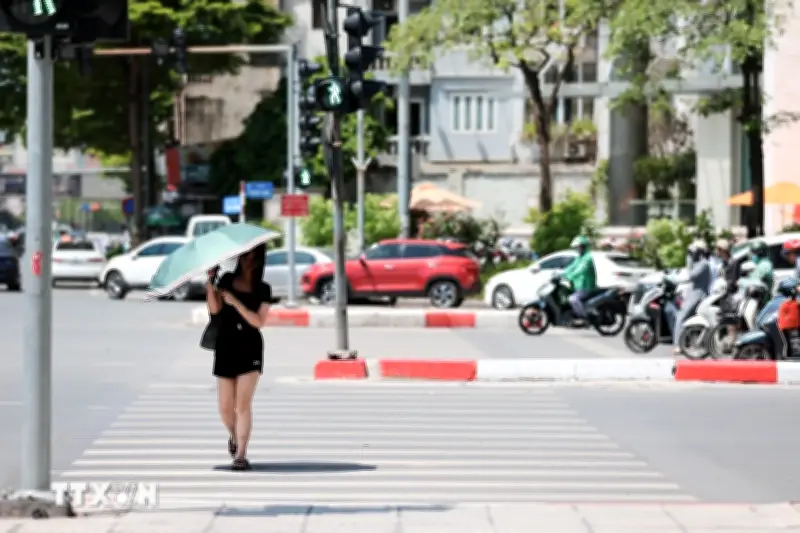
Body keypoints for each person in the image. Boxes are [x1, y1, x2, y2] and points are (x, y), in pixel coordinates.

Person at [205, 244, 271, 471]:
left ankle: (241, 454)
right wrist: (210, 282)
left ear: (260, 260)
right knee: (225, 407)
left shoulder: (263, 289)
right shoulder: (226, 280)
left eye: (254, 257)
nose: (248, 261)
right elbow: (215, 310)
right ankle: (234, 435)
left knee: (242, 404)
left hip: (250, 347)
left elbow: (259, 321)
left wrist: (236, 303)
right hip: (226, 345)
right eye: (246, 256)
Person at [668, 240, 711, 355]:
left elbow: (691, 275)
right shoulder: (699, 263)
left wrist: (689, 259)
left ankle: (678, 345)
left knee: (681, 317)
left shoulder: (703, 264)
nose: (692, 254)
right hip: (693, 293)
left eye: (694, 252)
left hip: (698, 294)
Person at [563, 235, 597, 325]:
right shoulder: (580, 257)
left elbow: (581, 270)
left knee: (573, 299)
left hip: (586, 286)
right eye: (576, 247)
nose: (577, 249)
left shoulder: (588, 258)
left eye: (578, 247)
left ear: (583, 246)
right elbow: (572, 266)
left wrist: (570, 276)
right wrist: (561, 273)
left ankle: (584, 317)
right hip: (578, 285)